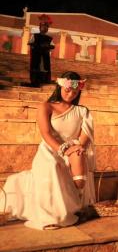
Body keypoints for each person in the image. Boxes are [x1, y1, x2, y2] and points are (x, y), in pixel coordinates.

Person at [4, 72, 95, 230]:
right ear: (59, 86)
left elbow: (84, 137)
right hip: (50, 149)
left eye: (75, 92)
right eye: (68, 90)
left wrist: (75, 150)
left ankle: (70, 208)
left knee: (79, 166)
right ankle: (49, 217)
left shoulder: (83, 111)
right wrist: (63, 150)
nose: (71, 94)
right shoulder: (46, 107)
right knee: (52, 165)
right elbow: (45, 133)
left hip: (73, 149)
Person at [28, 14, 55, 87]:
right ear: (40, 28)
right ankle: (35, 81)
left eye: (46, 27)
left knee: (44, 68)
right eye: (43, 26)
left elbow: (52, 45)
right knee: (36, 67)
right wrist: (38, 46)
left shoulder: (49, 38)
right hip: (37, 55)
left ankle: (44, 80)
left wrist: (47, 46)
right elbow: (30, 43)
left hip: (45, 56)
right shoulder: (35, 35)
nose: (45, 28)